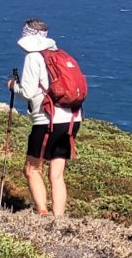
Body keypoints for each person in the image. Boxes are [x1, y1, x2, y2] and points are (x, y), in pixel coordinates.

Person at [7, 19, 82, 217]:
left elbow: (28, 92)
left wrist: (13, 86)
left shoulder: (33, 57)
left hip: (47, 121)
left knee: (32, 169)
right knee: (56, 174)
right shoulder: (60, 55)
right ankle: (58, 219)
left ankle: (42, 214)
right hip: (72, 119)